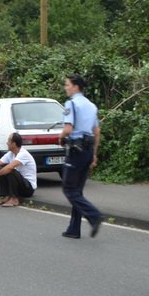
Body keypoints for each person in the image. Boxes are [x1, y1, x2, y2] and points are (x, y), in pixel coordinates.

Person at [60, 74, 103, 239]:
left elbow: (68, 129)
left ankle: (94, 216)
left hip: (76, 150)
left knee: (69, 189)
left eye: (67, 85)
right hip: (87, 149)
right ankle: (73, 229)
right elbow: (96, 131)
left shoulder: (71, 103)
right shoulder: (92, 106)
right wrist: (94, 155)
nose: (66, 88)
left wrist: (60, 137)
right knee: (77, 190)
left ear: (75, 86)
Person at [0, 132, 37, 207]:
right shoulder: (10, 153)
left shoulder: (23, 154)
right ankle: (7, 196)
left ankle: (14, 199)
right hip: (19, 185)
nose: (7, 143)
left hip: (28, 188)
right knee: (2, 169)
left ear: (14, 144)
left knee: (9, 170)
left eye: (9, 141)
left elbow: (10, 167)